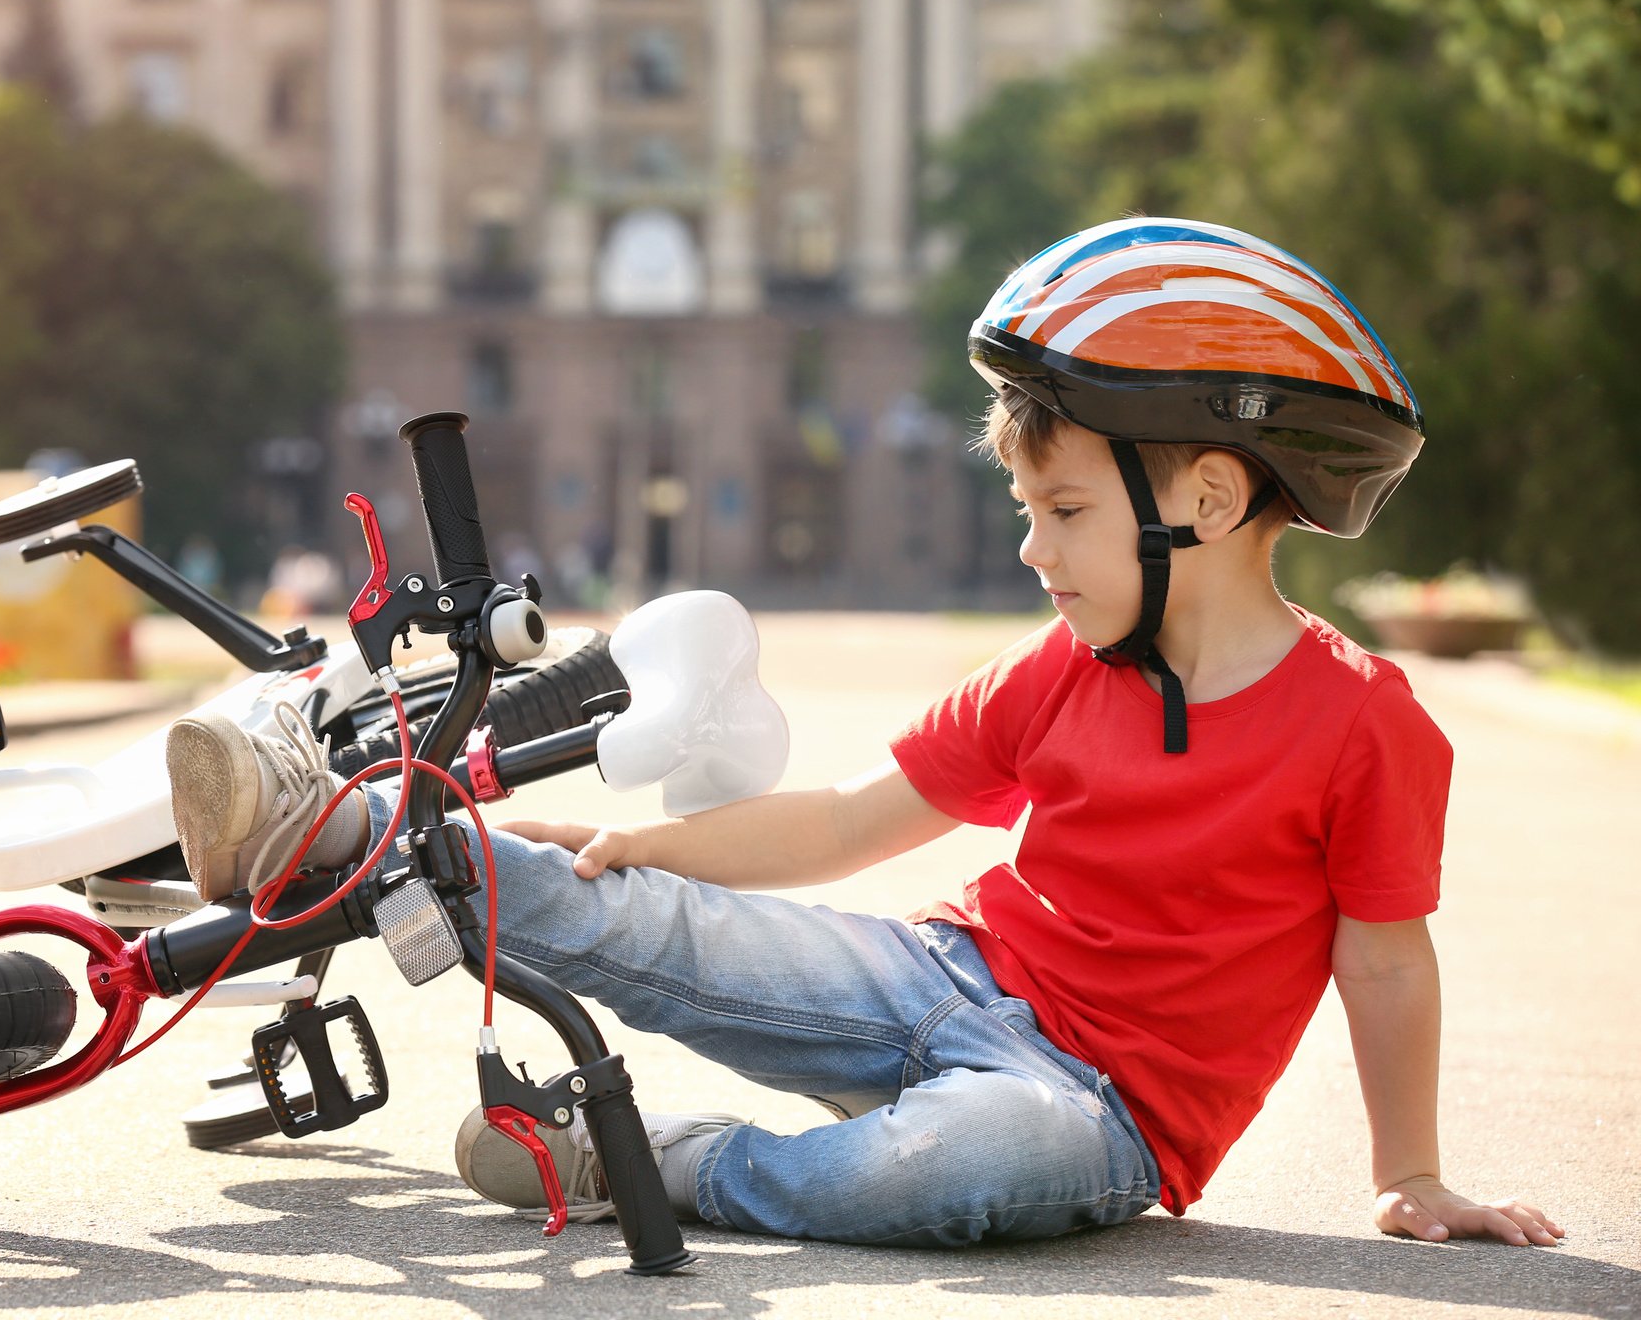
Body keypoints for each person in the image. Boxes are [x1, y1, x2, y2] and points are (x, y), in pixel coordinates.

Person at [161, 218, 1562, 1250]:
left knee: (961, 1164)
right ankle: (339, 829)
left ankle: (648, 1160)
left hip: (1100, 1114)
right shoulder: (1060, 671)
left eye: (1063, 514)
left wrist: (1414, 1172)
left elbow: (1383, 958)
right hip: (941, 981)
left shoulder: (1364, 724)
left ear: (1201, 499)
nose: (1033, 550)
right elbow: (845, 821)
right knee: (660, 925)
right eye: (1029, 515)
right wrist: (643, 844)